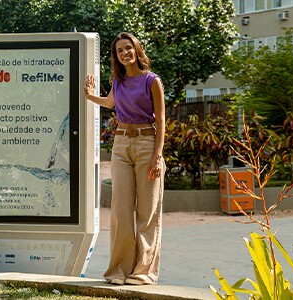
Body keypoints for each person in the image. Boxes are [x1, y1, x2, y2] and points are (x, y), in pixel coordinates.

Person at [84, 32, 165, 285]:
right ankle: (118, 270)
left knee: (147, 211)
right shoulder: (117, 81)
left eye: (128, 48)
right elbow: (110, 103)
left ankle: (143, 272)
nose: (125, 53)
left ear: (136, 50)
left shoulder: (152, 81)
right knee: (120, 210)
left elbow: (161, 120)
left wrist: (157, 156)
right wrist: (89, 96)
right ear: (116, 56)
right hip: (121, 144)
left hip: (146, 142)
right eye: (120, 50)